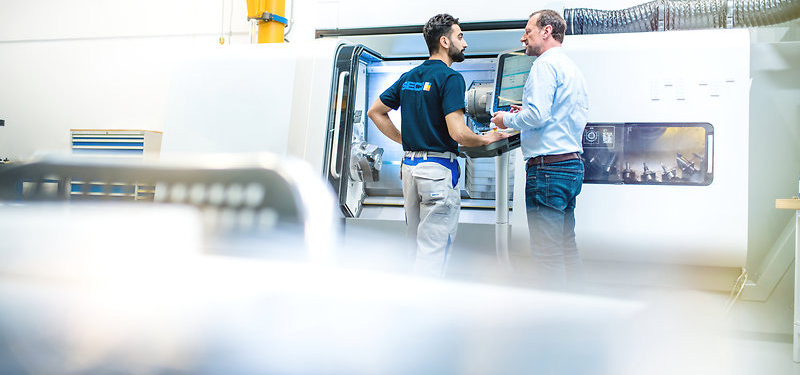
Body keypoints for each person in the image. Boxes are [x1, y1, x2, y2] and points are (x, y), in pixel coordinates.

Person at [367, 13, 508, 278]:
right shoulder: (451, 79)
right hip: (437, 171)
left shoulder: (409, 76)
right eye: (460, 36)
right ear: (445, 41)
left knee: (415, 245)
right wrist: (487, 137)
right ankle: (427, 312)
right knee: (434, 250)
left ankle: (411, 306)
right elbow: (459, 133)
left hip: (409, 169)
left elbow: (375, 112)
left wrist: (405, 141)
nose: (464, 44)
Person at [490, 10, 589, 290]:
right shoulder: (571, 68)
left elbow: (538, 116)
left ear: (546, 31)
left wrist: (505, 119)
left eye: (528, 31)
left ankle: (553, 323)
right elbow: (557, 114)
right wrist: (529, 112)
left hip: (547, 171)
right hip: (570, 167)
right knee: (566, 247)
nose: (523, 38)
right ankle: (577, 310)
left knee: (547, 256)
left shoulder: (543, 66)